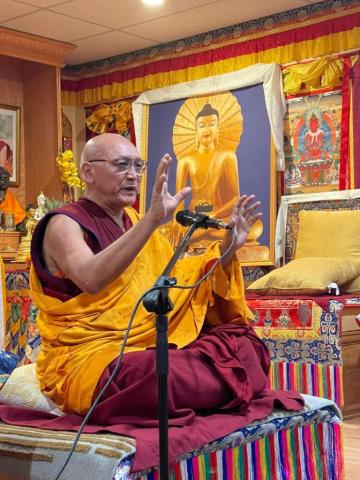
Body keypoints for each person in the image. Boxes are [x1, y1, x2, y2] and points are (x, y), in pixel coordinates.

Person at [19, 133, 302, 471]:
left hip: (151, 339)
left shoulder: (135, 223)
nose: (134, 175)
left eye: (138, 166)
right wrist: (154, 219)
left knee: (244, 346)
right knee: (155, 374)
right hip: (91, 354)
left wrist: (227, 249)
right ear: (88, 173)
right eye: (121, 165)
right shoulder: (64, 224)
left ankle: (206, 388)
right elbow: (91, 278)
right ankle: (212, 389)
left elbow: (178, 282)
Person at [170, 103, 263, 247]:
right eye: (201, 125)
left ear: (218, 128)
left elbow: (234, 199)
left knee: (255, 227)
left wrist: (214, 216)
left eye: (212, 124)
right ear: (195, 130)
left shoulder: (227, 156)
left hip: (219, 217)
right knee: (160, 232)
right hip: (194, 219)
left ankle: (202, 233)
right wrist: (177, 222)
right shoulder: (185, 160)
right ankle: (208, 232)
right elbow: (179, 200)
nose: (207, 129)